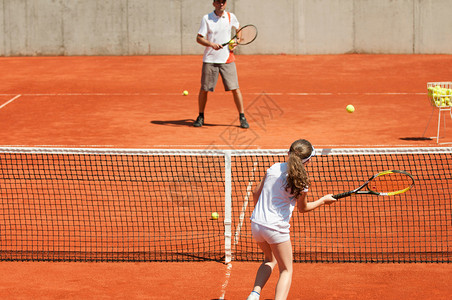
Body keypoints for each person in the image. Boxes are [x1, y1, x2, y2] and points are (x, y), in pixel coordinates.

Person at [247, 139, 337, 300]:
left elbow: (255, 193)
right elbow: (303, 209)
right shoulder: (302, 181)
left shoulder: (274, 168)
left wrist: (259, 214)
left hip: (257, 224)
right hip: (276, 229)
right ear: (308, 161)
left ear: (288, 153)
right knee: (286, 270)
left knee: (269, 259)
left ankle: (254, 295)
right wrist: (324, 200)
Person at [193, 0, 249, 129]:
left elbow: (238, 28)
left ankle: (242, 117)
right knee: (204, 89)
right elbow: (199, 38)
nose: (221, 4)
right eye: (218, 2)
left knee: (235, 89)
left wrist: (237, 40)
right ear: (214, 3)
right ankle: (200, 116)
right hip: (210, 59)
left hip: (227, 59)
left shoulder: (231, 16)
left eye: (223, 2)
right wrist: (211, 44)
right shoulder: (207, 18)